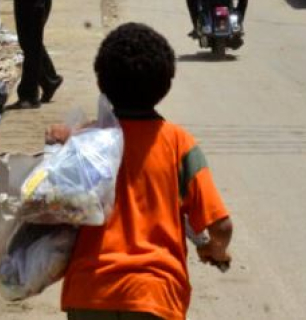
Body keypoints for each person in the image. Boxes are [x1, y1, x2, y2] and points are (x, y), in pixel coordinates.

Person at [46, 23, 233, 320]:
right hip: (155, 295)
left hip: (89, 294)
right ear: (165, 84)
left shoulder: (84, 141)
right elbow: (220, 227)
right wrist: (216, 251)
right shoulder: (179, 145)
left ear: (102, 83)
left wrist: (64, 139)